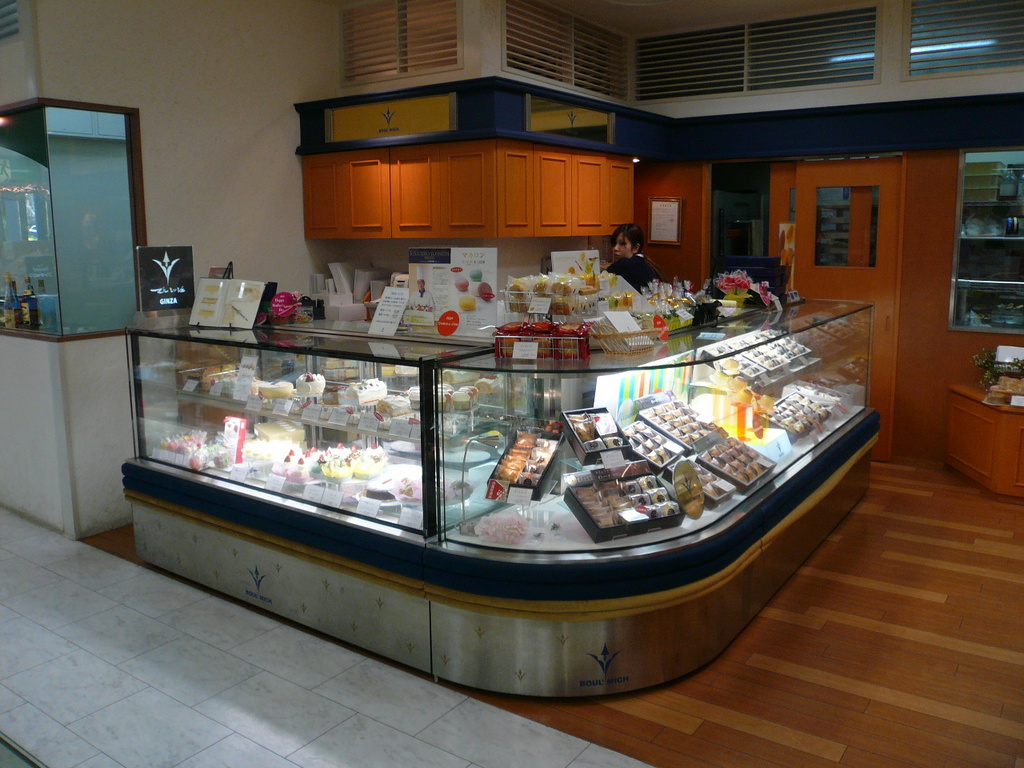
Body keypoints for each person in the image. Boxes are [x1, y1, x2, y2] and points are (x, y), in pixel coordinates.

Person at [606, 223, 660, 290]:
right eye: (614, 243)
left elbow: (602, 278)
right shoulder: (647, 264)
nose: (615, 248)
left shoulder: (625, 264)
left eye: (622, 244)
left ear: (635, 248)